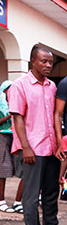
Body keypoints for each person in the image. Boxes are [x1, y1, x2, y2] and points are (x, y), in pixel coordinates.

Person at [9, 45, 67, 225]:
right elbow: (17, 117)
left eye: (51, 62)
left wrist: (58, 144)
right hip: (32, 148)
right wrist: (25, 147)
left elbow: (55, 116)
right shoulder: (20, 85)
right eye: (43, 61)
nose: (48, 65)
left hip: (51, 147)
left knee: (51, 191)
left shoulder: (52, 86)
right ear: (33, 61)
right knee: (32, 195)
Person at [0, 80, 18, 213]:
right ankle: (1, 200)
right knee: (2, 170)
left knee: (9, 169)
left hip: (11, 137)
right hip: (1, 136)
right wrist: (10, 115)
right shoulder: (1, 105)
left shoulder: (11, 102)